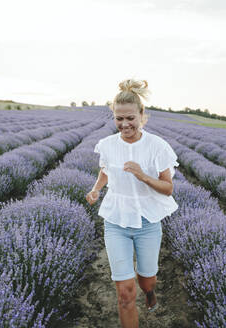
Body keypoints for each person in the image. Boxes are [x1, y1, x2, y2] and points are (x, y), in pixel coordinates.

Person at [85, 79, 179, 328]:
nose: (124, 124)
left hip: (148, 223)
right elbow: (106, 171)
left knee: (147, 281)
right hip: (116, 222)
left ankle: (149, 292)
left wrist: (142, 175)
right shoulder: (107, 145)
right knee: (125, 293)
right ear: (113, 117)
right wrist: (96, 189)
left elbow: (168, 188)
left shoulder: (157, 146)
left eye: (130, 118)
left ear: (142, 116)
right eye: (119, 119)